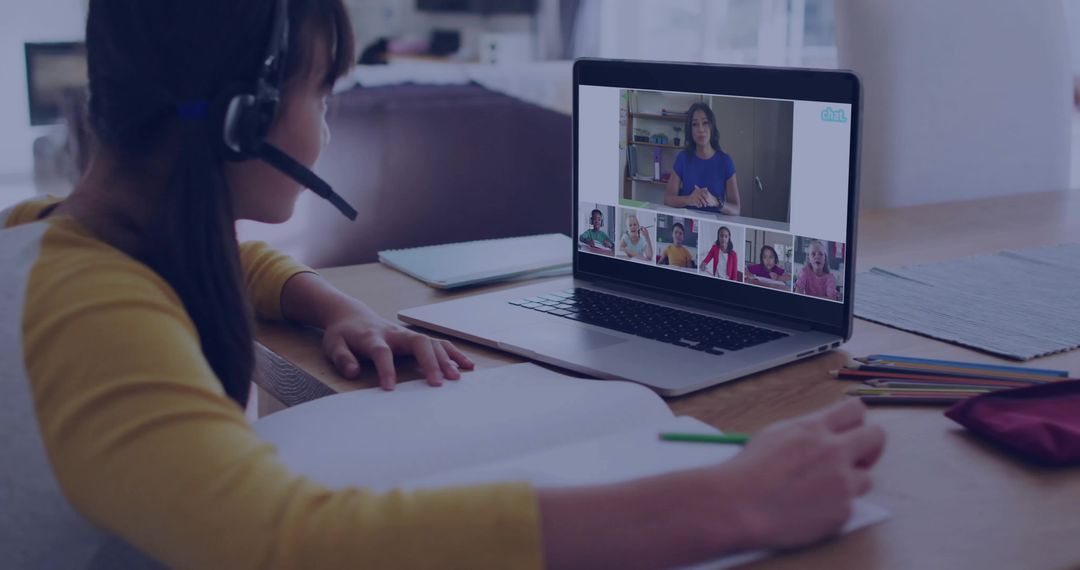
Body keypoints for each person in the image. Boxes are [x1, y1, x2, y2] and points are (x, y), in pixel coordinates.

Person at [0, 1, 885, 567]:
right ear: (246, 119)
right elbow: (285, 544)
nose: (328, 125)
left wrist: (330, 302)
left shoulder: (59, 236)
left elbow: (220, 258)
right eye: (324, 95)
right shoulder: (93, 315)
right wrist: (731, 502)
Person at [664, 102, 741, 215]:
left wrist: (715, 202)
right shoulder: (683, 158)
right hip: (688, 222)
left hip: (715, 224)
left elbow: (736, 209)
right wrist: (689, 199)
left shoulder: (725, 161)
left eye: (705, 123)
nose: (700, 129)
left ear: (712, 126)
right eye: (695, 124)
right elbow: (668, 199)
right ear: (690, 130)